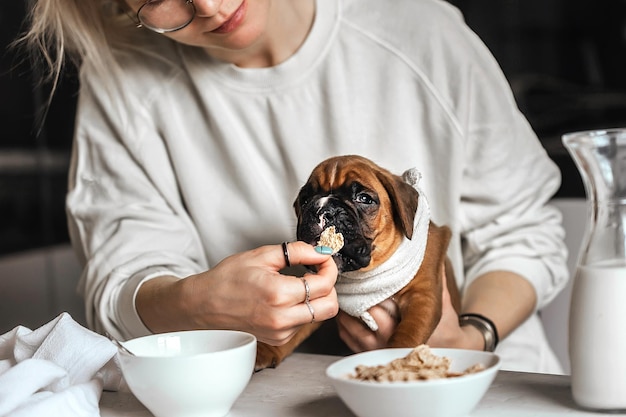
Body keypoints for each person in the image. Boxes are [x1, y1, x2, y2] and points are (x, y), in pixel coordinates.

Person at [19, 0, 569, 373]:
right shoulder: (123, 73)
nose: (208, 5)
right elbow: (118, 281)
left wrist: (468, 337)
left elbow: (527, 232)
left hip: (489, 384)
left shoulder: (420, 31)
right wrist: (193, 301)